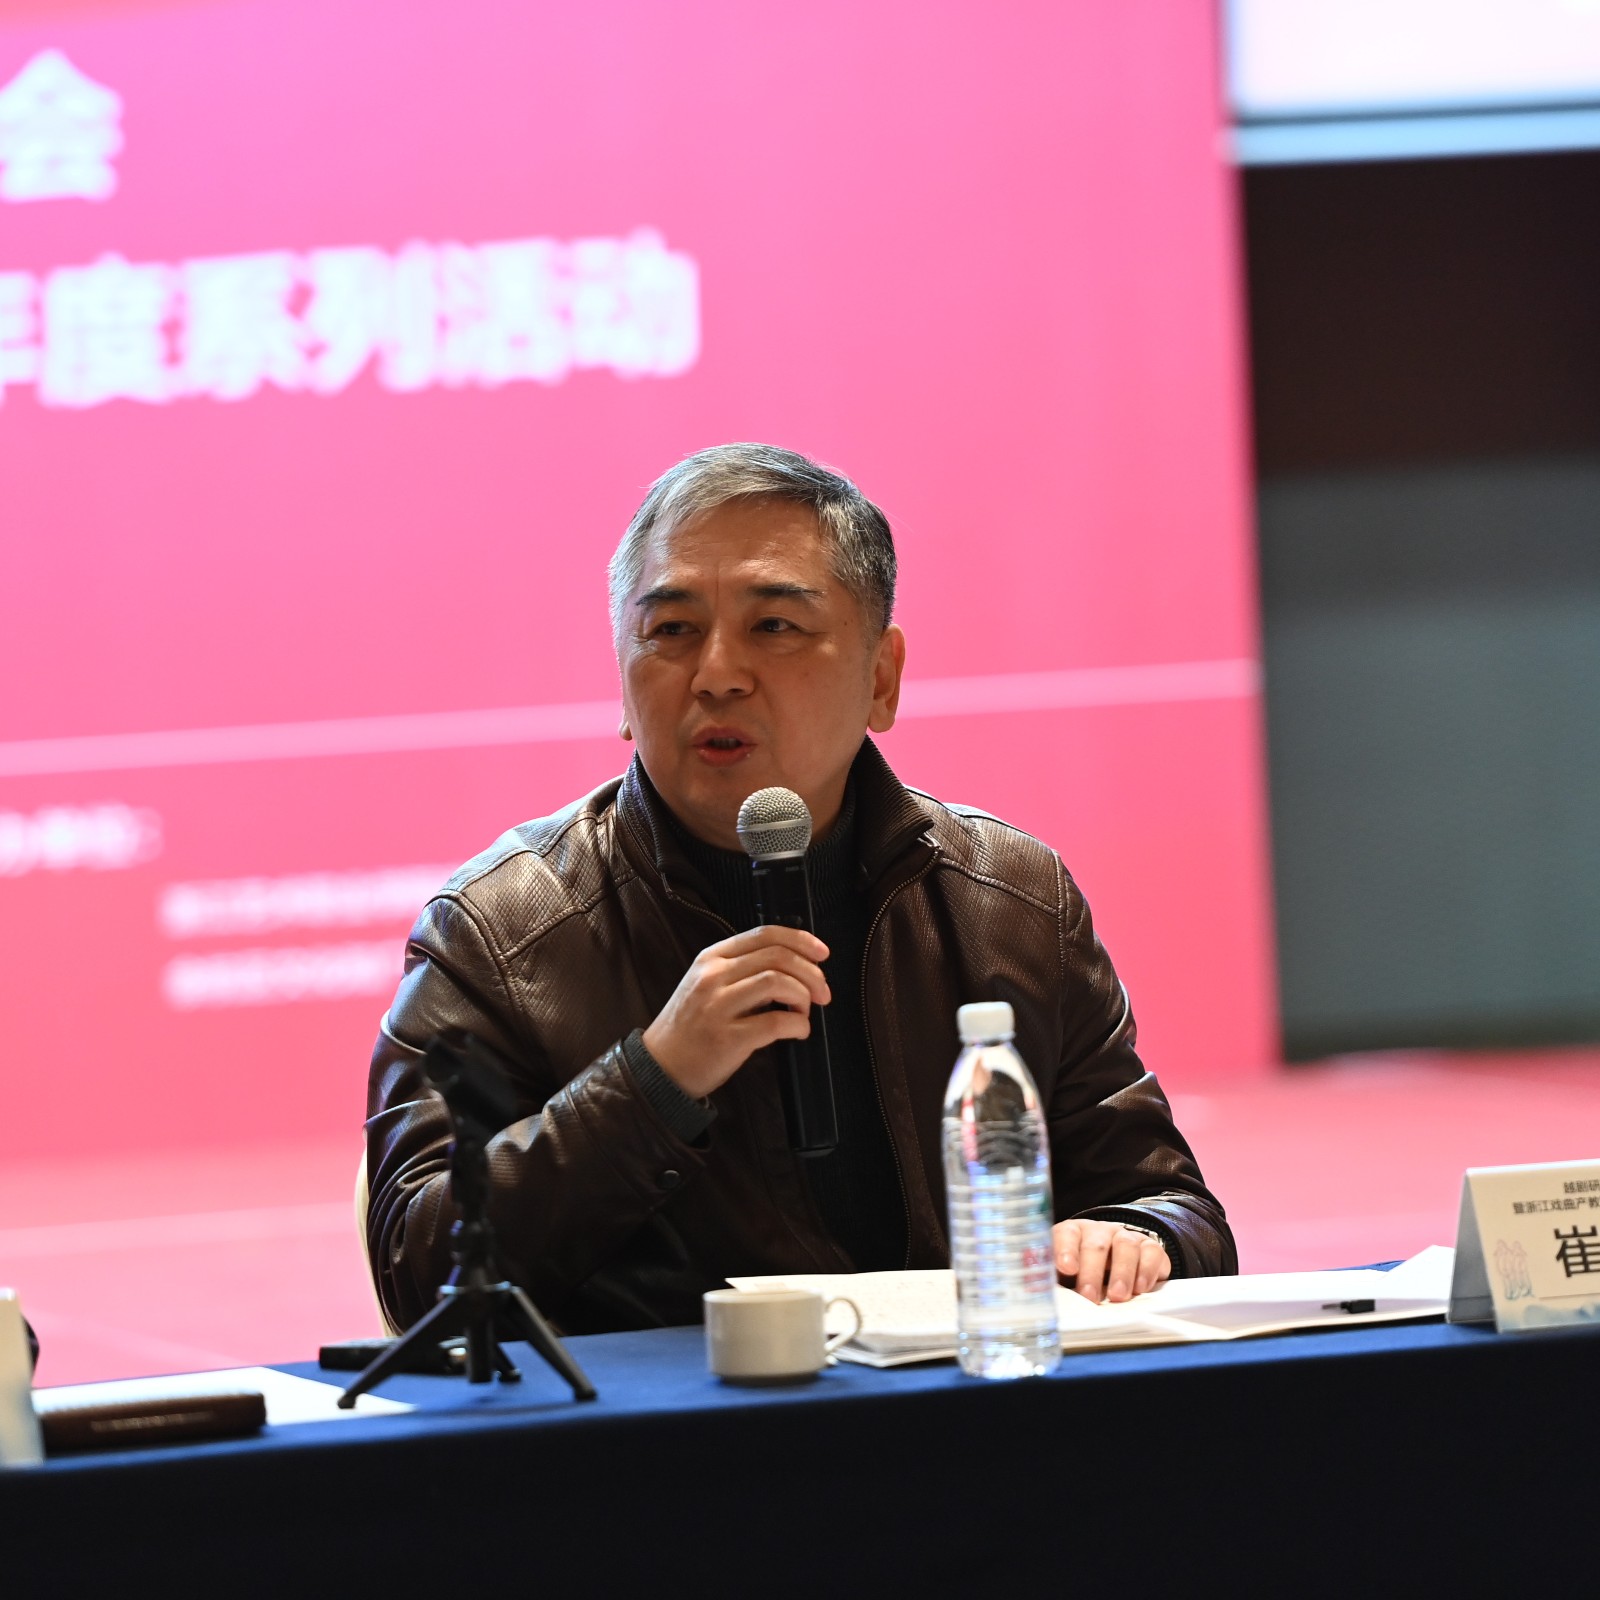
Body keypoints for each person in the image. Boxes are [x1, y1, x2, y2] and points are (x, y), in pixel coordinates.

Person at [365, 443, 1235, 1335]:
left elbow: (1170, 1205)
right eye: (671, 631)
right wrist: (654, 1080)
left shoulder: (1009, 901)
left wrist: (1133, 1235)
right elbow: (416, 1269)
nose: (717, 674)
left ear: (881, 678)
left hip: (967, 1407)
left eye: (775, 626)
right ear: (622, 681)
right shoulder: (501, 927)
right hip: (668, 1421)